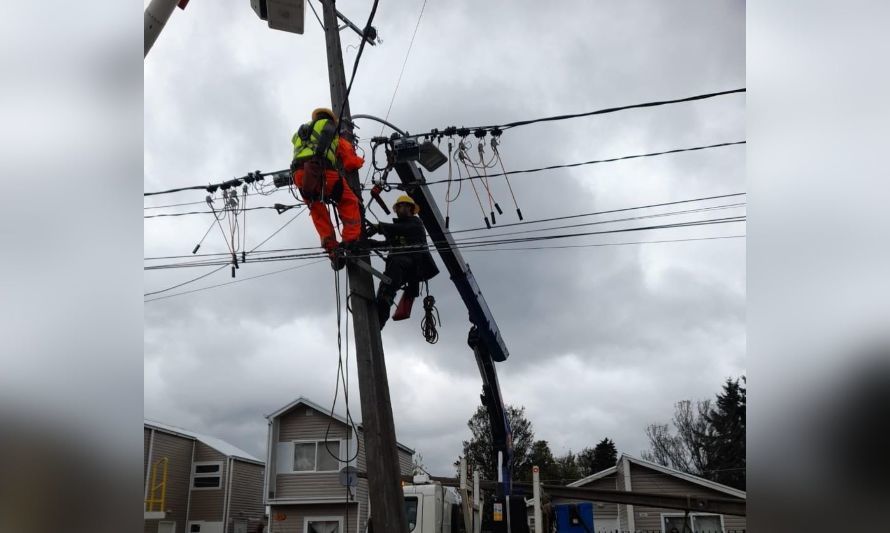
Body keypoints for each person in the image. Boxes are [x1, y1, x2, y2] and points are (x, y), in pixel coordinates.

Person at [291, 107, 364, 269]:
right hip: (324, 173)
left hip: (300, 177)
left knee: (316, 209)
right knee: (349, 201)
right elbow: (351, 163)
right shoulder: (332, 131)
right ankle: (351, 241)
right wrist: (360, 160)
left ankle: (333, 250)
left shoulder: (300, 132)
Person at [370, 195, 439, 329]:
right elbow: (389, 244)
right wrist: (370, 244)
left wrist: (379, 227)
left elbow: (403, 229)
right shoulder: (399, 228)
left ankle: (386, 297)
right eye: (398, 206)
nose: (400, 209)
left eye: (402, 206)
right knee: (384, 289)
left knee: (396, 264)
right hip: (400, 268)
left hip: (414, 265)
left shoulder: (415, 223)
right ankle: (378, 321)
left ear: (410, 208)